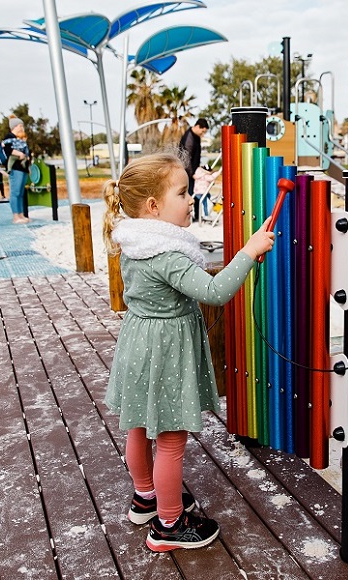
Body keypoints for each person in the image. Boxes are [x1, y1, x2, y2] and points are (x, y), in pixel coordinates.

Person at [101, 151, 275, 552]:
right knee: (171, 438)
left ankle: (146, 497)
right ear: (153, 207)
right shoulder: (165, 254)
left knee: (140, 428)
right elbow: (215, 292)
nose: (191, 199)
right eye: (183, 193)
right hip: (164, 354)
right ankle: (168, 525)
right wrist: (248, 251)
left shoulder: (135, 242)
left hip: (139, 344)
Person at [1, 116, 31, 223]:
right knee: (15, 192)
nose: (22, 127)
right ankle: (15, 216)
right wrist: (20, 154)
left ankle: (21, 214)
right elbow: (7, 149)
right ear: (14, 126)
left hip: (23, 168)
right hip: (15, 168)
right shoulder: (9, 137)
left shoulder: (20, 138)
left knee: (20, 193)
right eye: (20, 125)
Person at [179, 118, 209, 197]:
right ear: (198, 126)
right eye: (202, 132)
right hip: (187, 173)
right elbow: (186, 158)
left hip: (193, 172)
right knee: (189, 195)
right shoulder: (189, 138)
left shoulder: (196, 137)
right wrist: (191, 174)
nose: (203, 134)